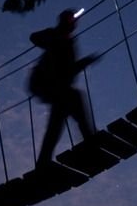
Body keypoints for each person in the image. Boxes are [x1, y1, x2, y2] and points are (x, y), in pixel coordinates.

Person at [28, 9, 98, 167]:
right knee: (74, 99)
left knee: (57, 121)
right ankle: (91, 142)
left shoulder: (69, 42)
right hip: (46, 84)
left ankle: (43, 162)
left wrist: (86, 61)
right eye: (72, 21)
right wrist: (55, 39)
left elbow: (69, 70)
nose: (74, 24)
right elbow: (34, 37)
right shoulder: (56, 36)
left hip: (58, 88)